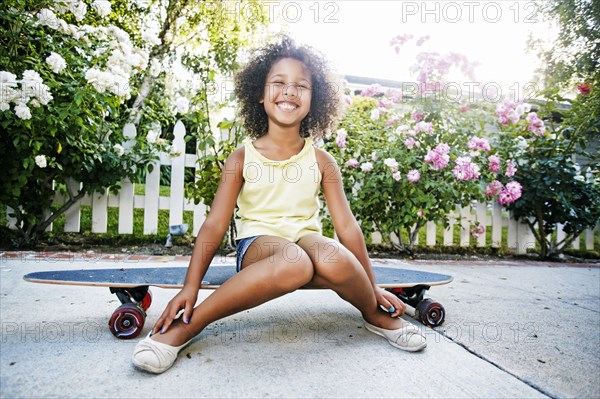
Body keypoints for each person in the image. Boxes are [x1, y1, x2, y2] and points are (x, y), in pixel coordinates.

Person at [132, 36, 426, 374]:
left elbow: (347, 227)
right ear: (260, 93)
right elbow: (214, 225)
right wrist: (190, 286)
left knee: (328, 254)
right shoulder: (242, 157)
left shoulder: (322, 160)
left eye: (301, 85)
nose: (289, 91)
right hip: (259, 245)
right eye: (279, 82)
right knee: (295, 261)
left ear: (314, 100)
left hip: (306, 240)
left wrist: (370, 286)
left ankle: (373, 315)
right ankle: (189, 326)